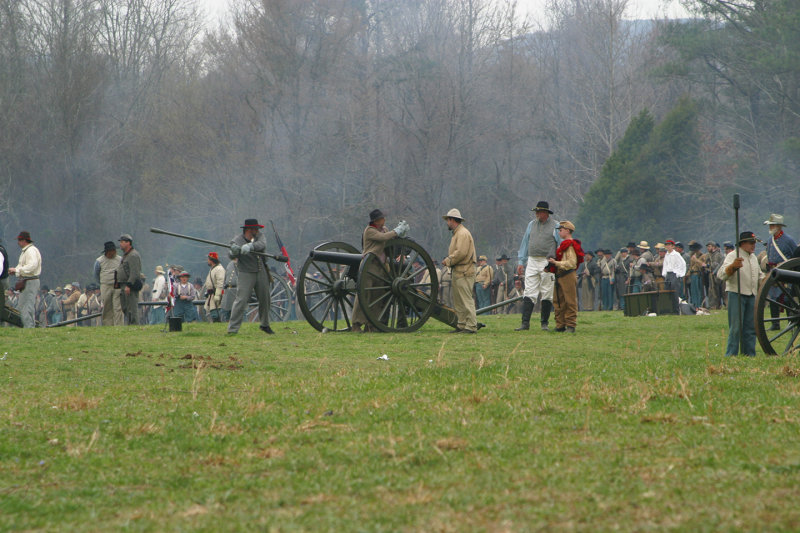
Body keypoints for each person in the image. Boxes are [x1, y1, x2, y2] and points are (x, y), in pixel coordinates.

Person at [349, 209, 409, 332]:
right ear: (376, 221)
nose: (384, 220)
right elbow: (382, 238)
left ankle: (372, 324)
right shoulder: (369, 231)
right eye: (382, 218)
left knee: (377, 297)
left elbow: (389, 240)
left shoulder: (385, 229)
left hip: (382, 268)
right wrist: (396, 231)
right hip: (369, 267)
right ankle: (356, 324)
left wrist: (399, 235)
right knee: (363, 296)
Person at [717, 231, 765, 356]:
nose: (753, 245)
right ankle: (731, 354)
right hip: (736, 294)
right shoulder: (733, 255)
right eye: (751, 243)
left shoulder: (753, 258)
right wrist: (733, 267)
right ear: (743, 243)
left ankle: (749, 354)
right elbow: (721, 274)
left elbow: (759, 276)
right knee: (736, 328)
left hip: (751, 295)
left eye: (754, 243)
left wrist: (769, 280)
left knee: (750, 328)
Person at [516, 200, 560, 331]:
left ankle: (544, 323)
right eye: (536, 212)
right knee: (529, 290)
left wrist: (557, 262)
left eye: (539, 212)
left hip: (547, 261)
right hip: (532, 260)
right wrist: (521, 261)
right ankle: (525, 323)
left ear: (545, 213)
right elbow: (525, 243)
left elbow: (560, 243)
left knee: (547, 292)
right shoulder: (531, 225)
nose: (537, 214)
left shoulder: (555, 225)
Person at [227, 219, 274, 335]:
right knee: (241, 301)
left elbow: (262, 244)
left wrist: (250, 247)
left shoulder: (260, 236)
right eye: (255, 229)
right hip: (246, 272)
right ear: (249, 229)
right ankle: (232, 329)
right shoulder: (236, 240)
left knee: (265, 299)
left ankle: (265, 324)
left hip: (261, 270)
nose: (257, 231)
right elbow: (230, 254)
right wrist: (234, 251)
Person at [442, 208, 477, 333]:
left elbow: (461, 253)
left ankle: (472, 326)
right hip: (458, 271)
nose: (447, 223)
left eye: (448, 220)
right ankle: (462, 324)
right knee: (459, 301)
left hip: (464, 271)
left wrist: (448, 260)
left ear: (452, 220)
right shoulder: (458, 233)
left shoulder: (462, 233)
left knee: (466, 300)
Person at [548, 221, 583, 333]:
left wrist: (556, 263)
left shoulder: (570, 245)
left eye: (561, 229)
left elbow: (571, 263)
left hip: (567, 275)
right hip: (560, 275)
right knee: (558, 301)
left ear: (567, 230)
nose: (559, 231)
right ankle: (560, 325)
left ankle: (570, 325)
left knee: (569, 301)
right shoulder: (564, 244)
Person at [763, 214, 797, 330]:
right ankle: (775, 323)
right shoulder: (770, 240)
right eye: (770, 225)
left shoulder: (788, 240)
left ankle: (791, 323)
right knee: (773, 298)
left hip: (786, 272)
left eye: (772, 225)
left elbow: (795, 257)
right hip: (774, 272)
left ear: (778, 226)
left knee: (787, 299)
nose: (770, 227)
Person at [8, 231, 42, 328]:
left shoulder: (31, 251)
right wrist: (15, 271)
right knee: (23, 306)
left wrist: (17, 270)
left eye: (19, 240)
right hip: (26, 281)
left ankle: (30, 328)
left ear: (24, 240)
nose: (18, 242)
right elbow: (22, 266)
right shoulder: (25, 251)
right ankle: (28, 327)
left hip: (30, 281)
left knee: (27, 306)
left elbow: (32, 266)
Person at [94, 241, 123, 326]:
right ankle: (108, 325)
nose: (114, 252)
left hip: (117, 285)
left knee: (118, 307)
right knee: (107, 306)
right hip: (105, 285)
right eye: (112, 251)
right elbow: (96, 274)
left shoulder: (120, 259)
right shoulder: (99, 261)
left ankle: (119, 325)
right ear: (108, 251)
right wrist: (102, 282)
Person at [115, 234, 142, 325]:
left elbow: (134, 273)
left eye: (122, 242)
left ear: (128, 243)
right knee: (125, 307)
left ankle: (134, 325)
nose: (120, 244)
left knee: (132, 308)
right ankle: (130, 324)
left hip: (129, 285)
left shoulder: (133, 255)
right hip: (123, 284)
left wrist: (129, 285)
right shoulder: (126, 255)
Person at [663, 239, 686, 311]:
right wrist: (664, 273)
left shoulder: (676, 254)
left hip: (674, 274)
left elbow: (682, 264)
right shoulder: (666, 255)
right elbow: (665, 265)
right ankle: (669, 308)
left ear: (672, 246)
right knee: (667, 290)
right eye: (666, 245)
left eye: (669, 245)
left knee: (675, 292)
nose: (667, 246)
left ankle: (676, 309)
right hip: (668, 274)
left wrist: (678, 274)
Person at [203, 252, 226, 322]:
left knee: (217, 313)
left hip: (216, 294)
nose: (208, 261)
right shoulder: (213, 269)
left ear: (211, 260)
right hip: (211, 295)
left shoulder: (219, 269)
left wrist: (218, 295)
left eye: (208, 259)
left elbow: (220, 283)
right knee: (213, 313)